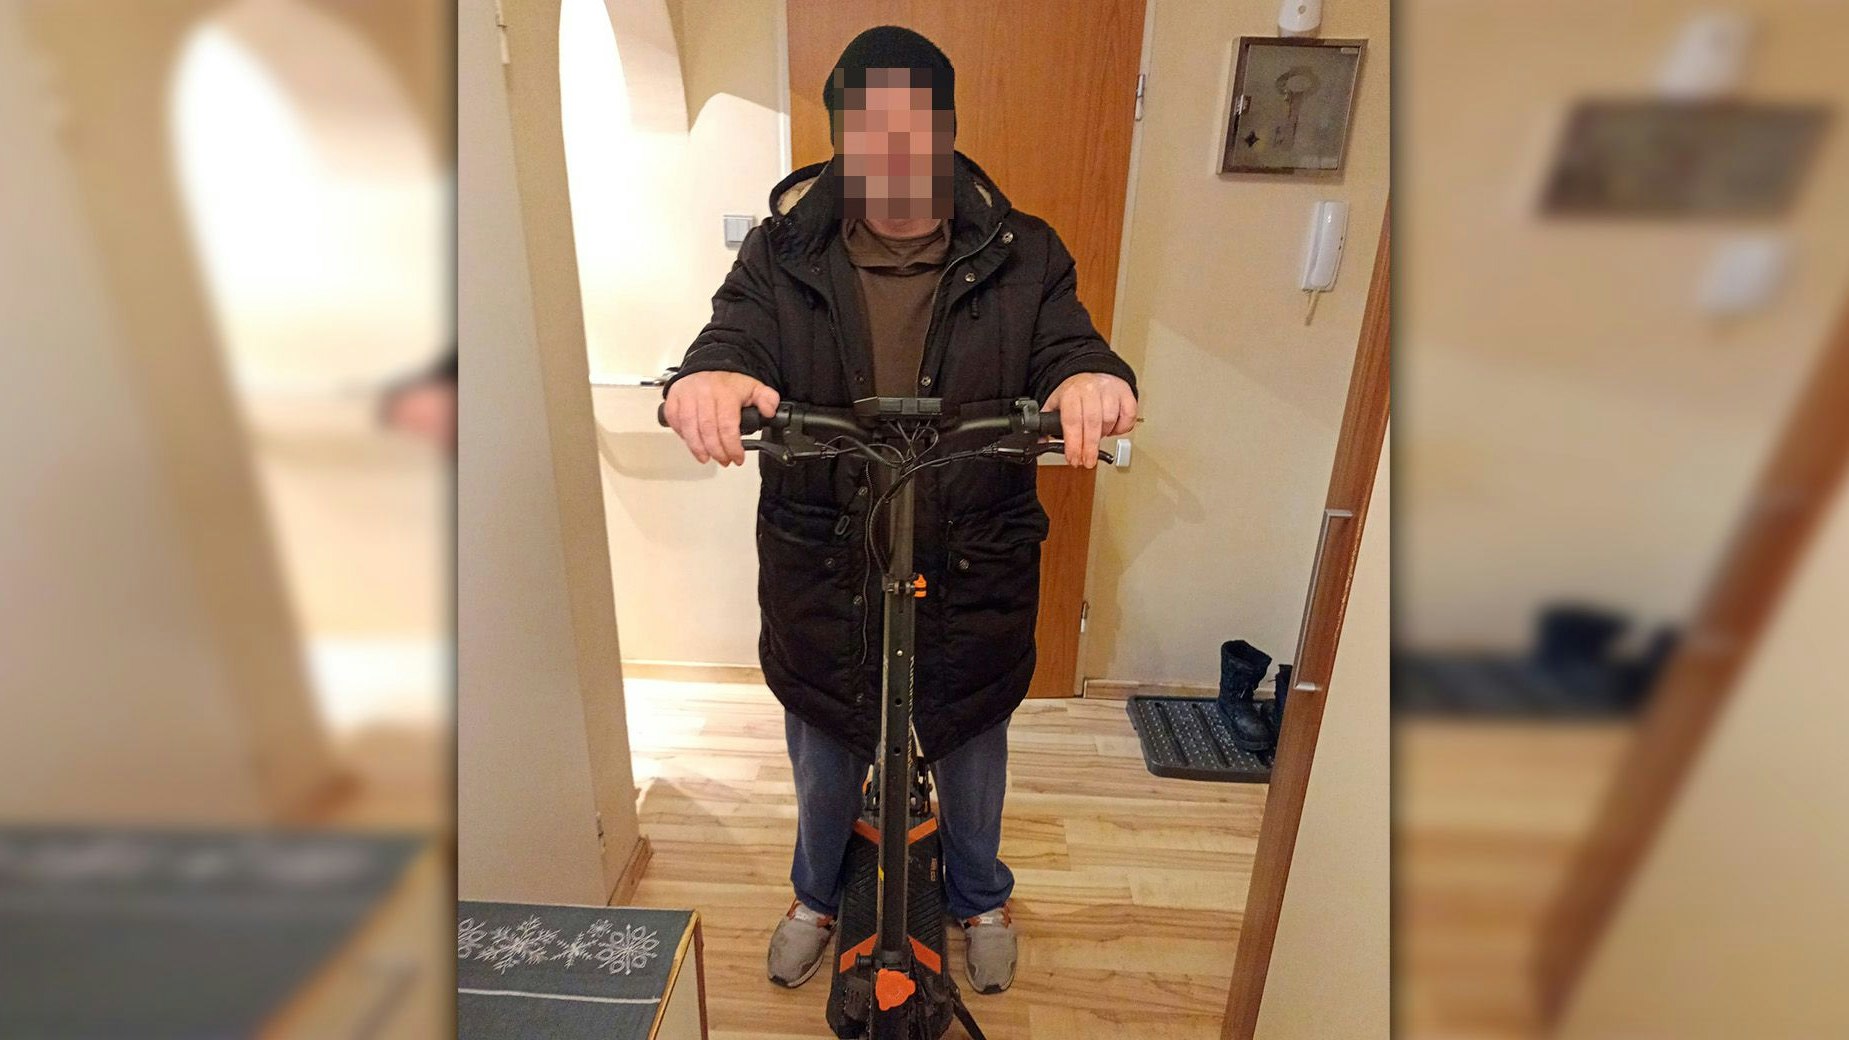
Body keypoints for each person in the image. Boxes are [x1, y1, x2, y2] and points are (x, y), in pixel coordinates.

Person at [661, 25, 1138, 996]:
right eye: (866, 128)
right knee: (824, 738)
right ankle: (815, 892)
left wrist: (1087, 378)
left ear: (946, 129)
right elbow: (732, 335)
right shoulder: (782, 250)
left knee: (970, 737)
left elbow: (1067, 344)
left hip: (972, 552)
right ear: (841, 134)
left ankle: (979, 894)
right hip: (825, 555)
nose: (890, 149)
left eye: (912, 126)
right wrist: (709, 376)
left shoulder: (1024, 250)